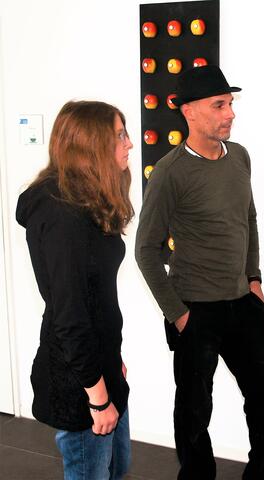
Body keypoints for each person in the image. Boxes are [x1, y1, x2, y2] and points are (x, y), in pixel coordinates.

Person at [135, 65, 264, 480]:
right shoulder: (170, 172)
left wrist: (254, 278)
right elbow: (145, 250)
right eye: (219, 105)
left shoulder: (239, 156)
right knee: (194, 411)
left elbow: (249, 218)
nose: (230, 113)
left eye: (230, 103)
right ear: (189, 112)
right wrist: (178, 314)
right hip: (195, 309)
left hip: (243, 303)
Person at [16, 100, 134, 480]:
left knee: (118, 467)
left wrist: (112, 359)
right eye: (120, 135)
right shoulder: (62, 216)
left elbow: (96, 297)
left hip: (101, 364)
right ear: (92, 144)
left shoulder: (86, 200)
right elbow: (70, 317)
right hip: (79, 383)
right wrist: (98, 398)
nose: (129, 143)